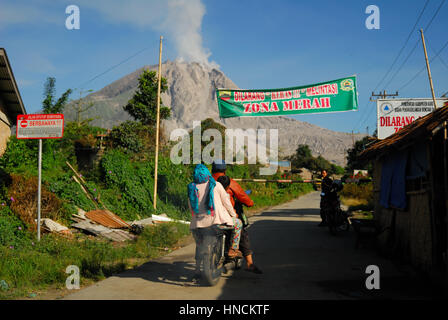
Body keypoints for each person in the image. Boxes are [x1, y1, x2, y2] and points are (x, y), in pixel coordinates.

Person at [187, 164, 243, 278]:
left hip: (197, 226)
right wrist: (234, 215)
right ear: (207, 174)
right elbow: (226, 202)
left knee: (200, 245)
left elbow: (191, 207)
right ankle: (233, 250)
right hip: (216, 223)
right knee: (238, 223)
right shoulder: (215, 185)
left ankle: (197, 269)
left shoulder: (191, 187)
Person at [212, 160, 263, 274]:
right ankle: (249, 263)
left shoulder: (207, 182)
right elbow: (244, 198)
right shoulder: (229, 183)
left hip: (208, 217)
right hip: (226, 217)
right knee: (242, 233)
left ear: (212, 170)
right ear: (225, 170)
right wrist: (250, 203)